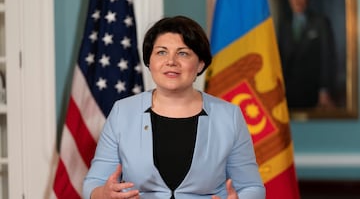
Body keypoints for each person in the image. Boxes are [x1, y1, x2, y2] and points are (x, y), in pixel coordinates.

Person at [83, 15, 265, 199]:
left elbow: (252, 187)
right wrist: (104, 194)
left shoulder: (229, 115)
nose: (171, 61)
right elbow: (93, 183)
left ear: (200, 63)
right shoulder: (123, 112)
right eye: (161, 52)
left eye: (183, 53)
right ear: (149, 61)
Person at [278, 0, 337, 109]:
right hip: (289, 94)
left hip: (313, 92)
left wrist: (324, 90)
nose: (297, 0)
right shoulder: (284, 24)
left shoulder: (320, 22)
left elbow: (328, 58)